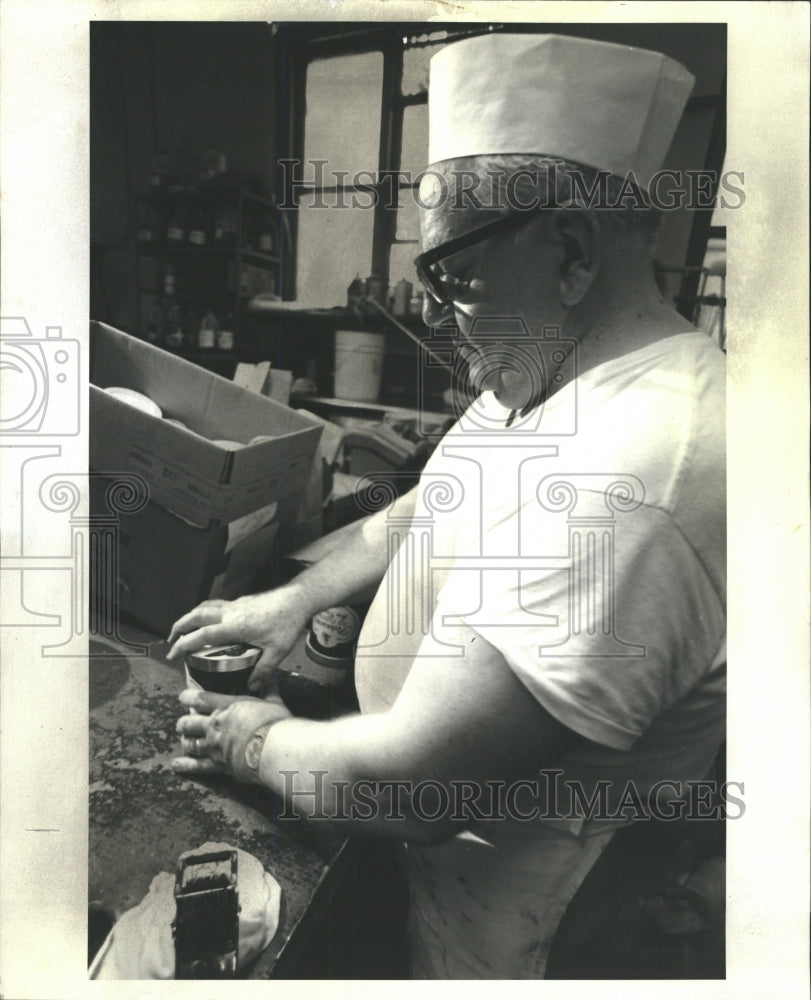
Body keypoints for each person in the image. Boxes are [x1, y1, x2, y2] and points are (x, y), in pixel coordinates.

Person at [166, 33, 726, 978]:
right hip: (431, 864)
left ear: (572, 250)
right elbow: (428, 505)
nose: (432, 310)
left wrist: (250, 741)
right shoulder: (540, 373)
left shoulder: (637, 468)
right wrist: (292, 604)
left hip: (518, 926)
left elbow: (420, 789)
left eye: (451, 275)